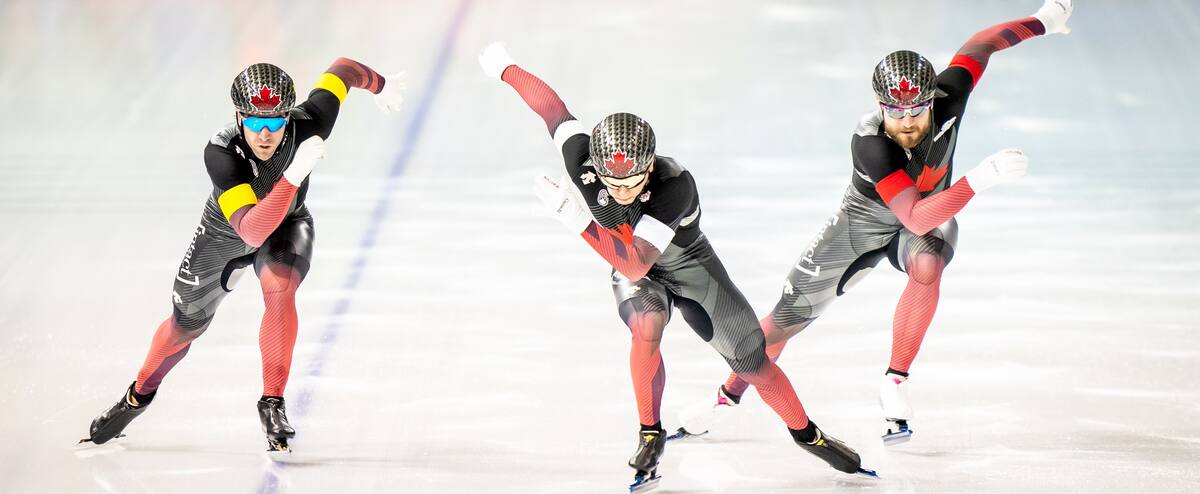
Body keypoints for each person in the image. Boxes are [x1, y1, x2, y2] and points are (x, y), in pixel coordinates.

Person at [679, 0, 1074, 444]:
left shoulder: (951, 94)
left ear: (933, 98)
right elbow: (914, 215)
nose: (906, 122)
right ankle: (727, 397)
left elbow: (980, 45)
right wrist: (978, 180)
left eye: (916, 111)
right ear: (879, 104)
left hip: (923, 221)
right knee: (785, 318)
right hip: (867, 222)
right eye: (895, 112)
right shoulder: (871, 143)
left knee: (928, 265)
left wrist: (1043, 21)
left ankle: (895, 380)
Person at [479, 43, 871, 489]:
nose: (623, 192)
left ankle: (808, 435)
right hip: (632, 262)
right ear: (597, 169)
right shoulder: (582, 160)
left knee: (752, 363)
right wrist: (506, 69)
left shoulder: (673, 184)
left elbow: (634, 262)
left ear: (649, 167)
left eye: (633, 182)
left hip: (683, 261)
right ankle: (650, 433)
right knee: (647, 322)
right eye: (614, 183)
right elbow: (552, 109)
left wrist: (576, 220)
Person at [80, 58, 404, 454]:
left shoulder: (311, 121)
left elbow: (343, 70)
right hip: (226, 234)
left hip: (286, 223)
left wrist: (380, 85)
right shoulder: (221, 152)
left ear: (289, 115)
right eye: (253, 122)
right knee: (185, 327)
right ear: (238, 116)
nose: (264, 133)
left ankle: (272, 403)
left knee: (280, 290)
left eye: (274, 122)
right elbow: (250, 230)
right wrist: (291, 176)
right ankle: (138, 396)